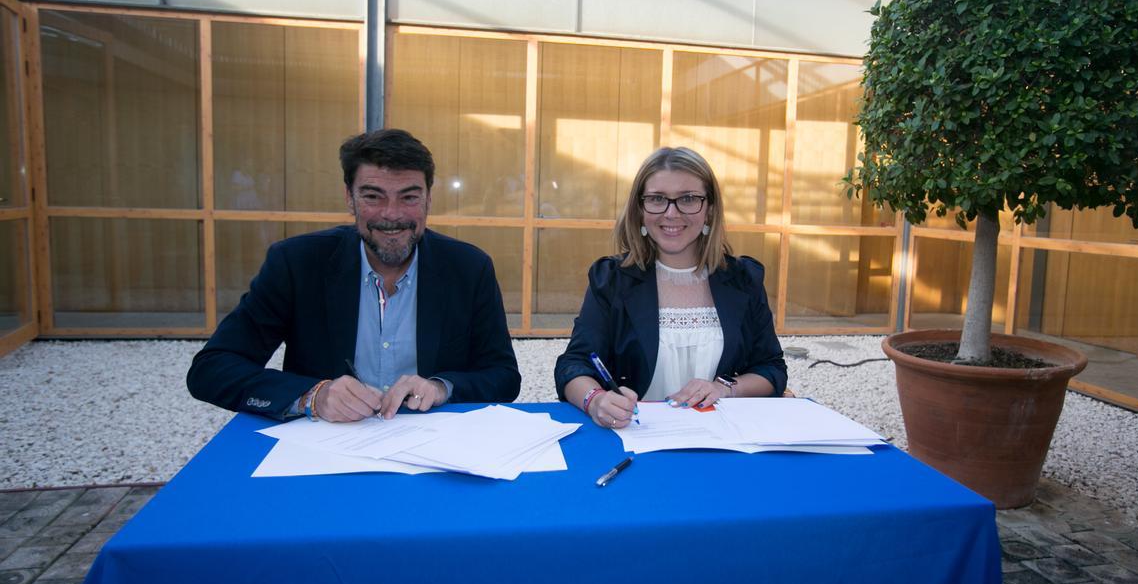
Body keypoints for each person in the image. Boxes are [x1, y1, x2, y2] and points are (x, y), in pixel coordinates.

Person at [188, 129, 520, 422]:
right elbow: (212, 369)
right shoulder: (297, 263)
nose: (392, 214)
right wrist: (312, 395)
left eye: (409, 197)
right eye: (373, 196)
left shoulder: (469, 267)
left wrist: (440, 387)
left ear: (428, 199)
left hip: (432, 450)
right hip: (325, 449)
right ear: (350, 198)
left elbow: (504, 377)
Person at [555, 147, 787, 428]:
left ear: (710, 209)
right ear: (640, 209)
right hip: (636, 439)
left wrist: (726, 389)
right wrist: (596, 400)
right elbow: (573, 365)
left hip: (724, 439)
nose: (671, 213)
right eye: (657, 199)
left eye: (688, 199)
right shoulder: (611, 280)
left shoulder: (743, 279)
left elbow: (771, 368)